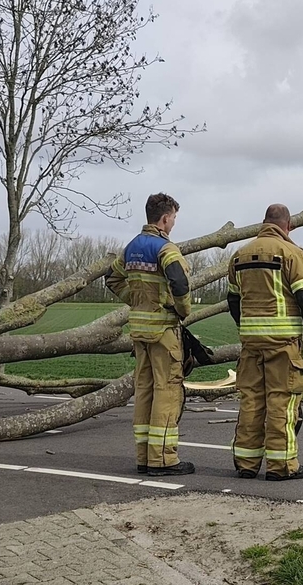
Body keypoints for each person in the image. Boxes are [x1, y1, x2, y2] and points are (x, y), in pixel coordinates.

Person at [227, 204, 303, 481]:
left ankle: (246, 464)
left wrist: (247, 328)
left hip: (250, 344)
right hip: (283, 344)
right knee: (282, 402)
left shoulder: (239, 255)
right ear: (288, 226)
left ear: (264, 223)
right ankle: (282, 466)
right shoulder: (291, 253)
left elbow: (233, 301)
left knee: (251, 401)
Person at [106, 193, 194, 476]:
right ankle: (164, 459)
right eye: (174, 219)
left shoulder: (131, 248)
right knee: (167, 390)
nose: (173, 224)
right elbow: (179, 283)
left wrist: (135, 300)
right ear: (165, 218)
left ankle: (144, 456)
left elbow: (112, 278)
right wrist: (182, 310)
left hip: (139, 330)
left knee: (144, 390)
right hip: (163, 330)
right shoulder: (166, 249)